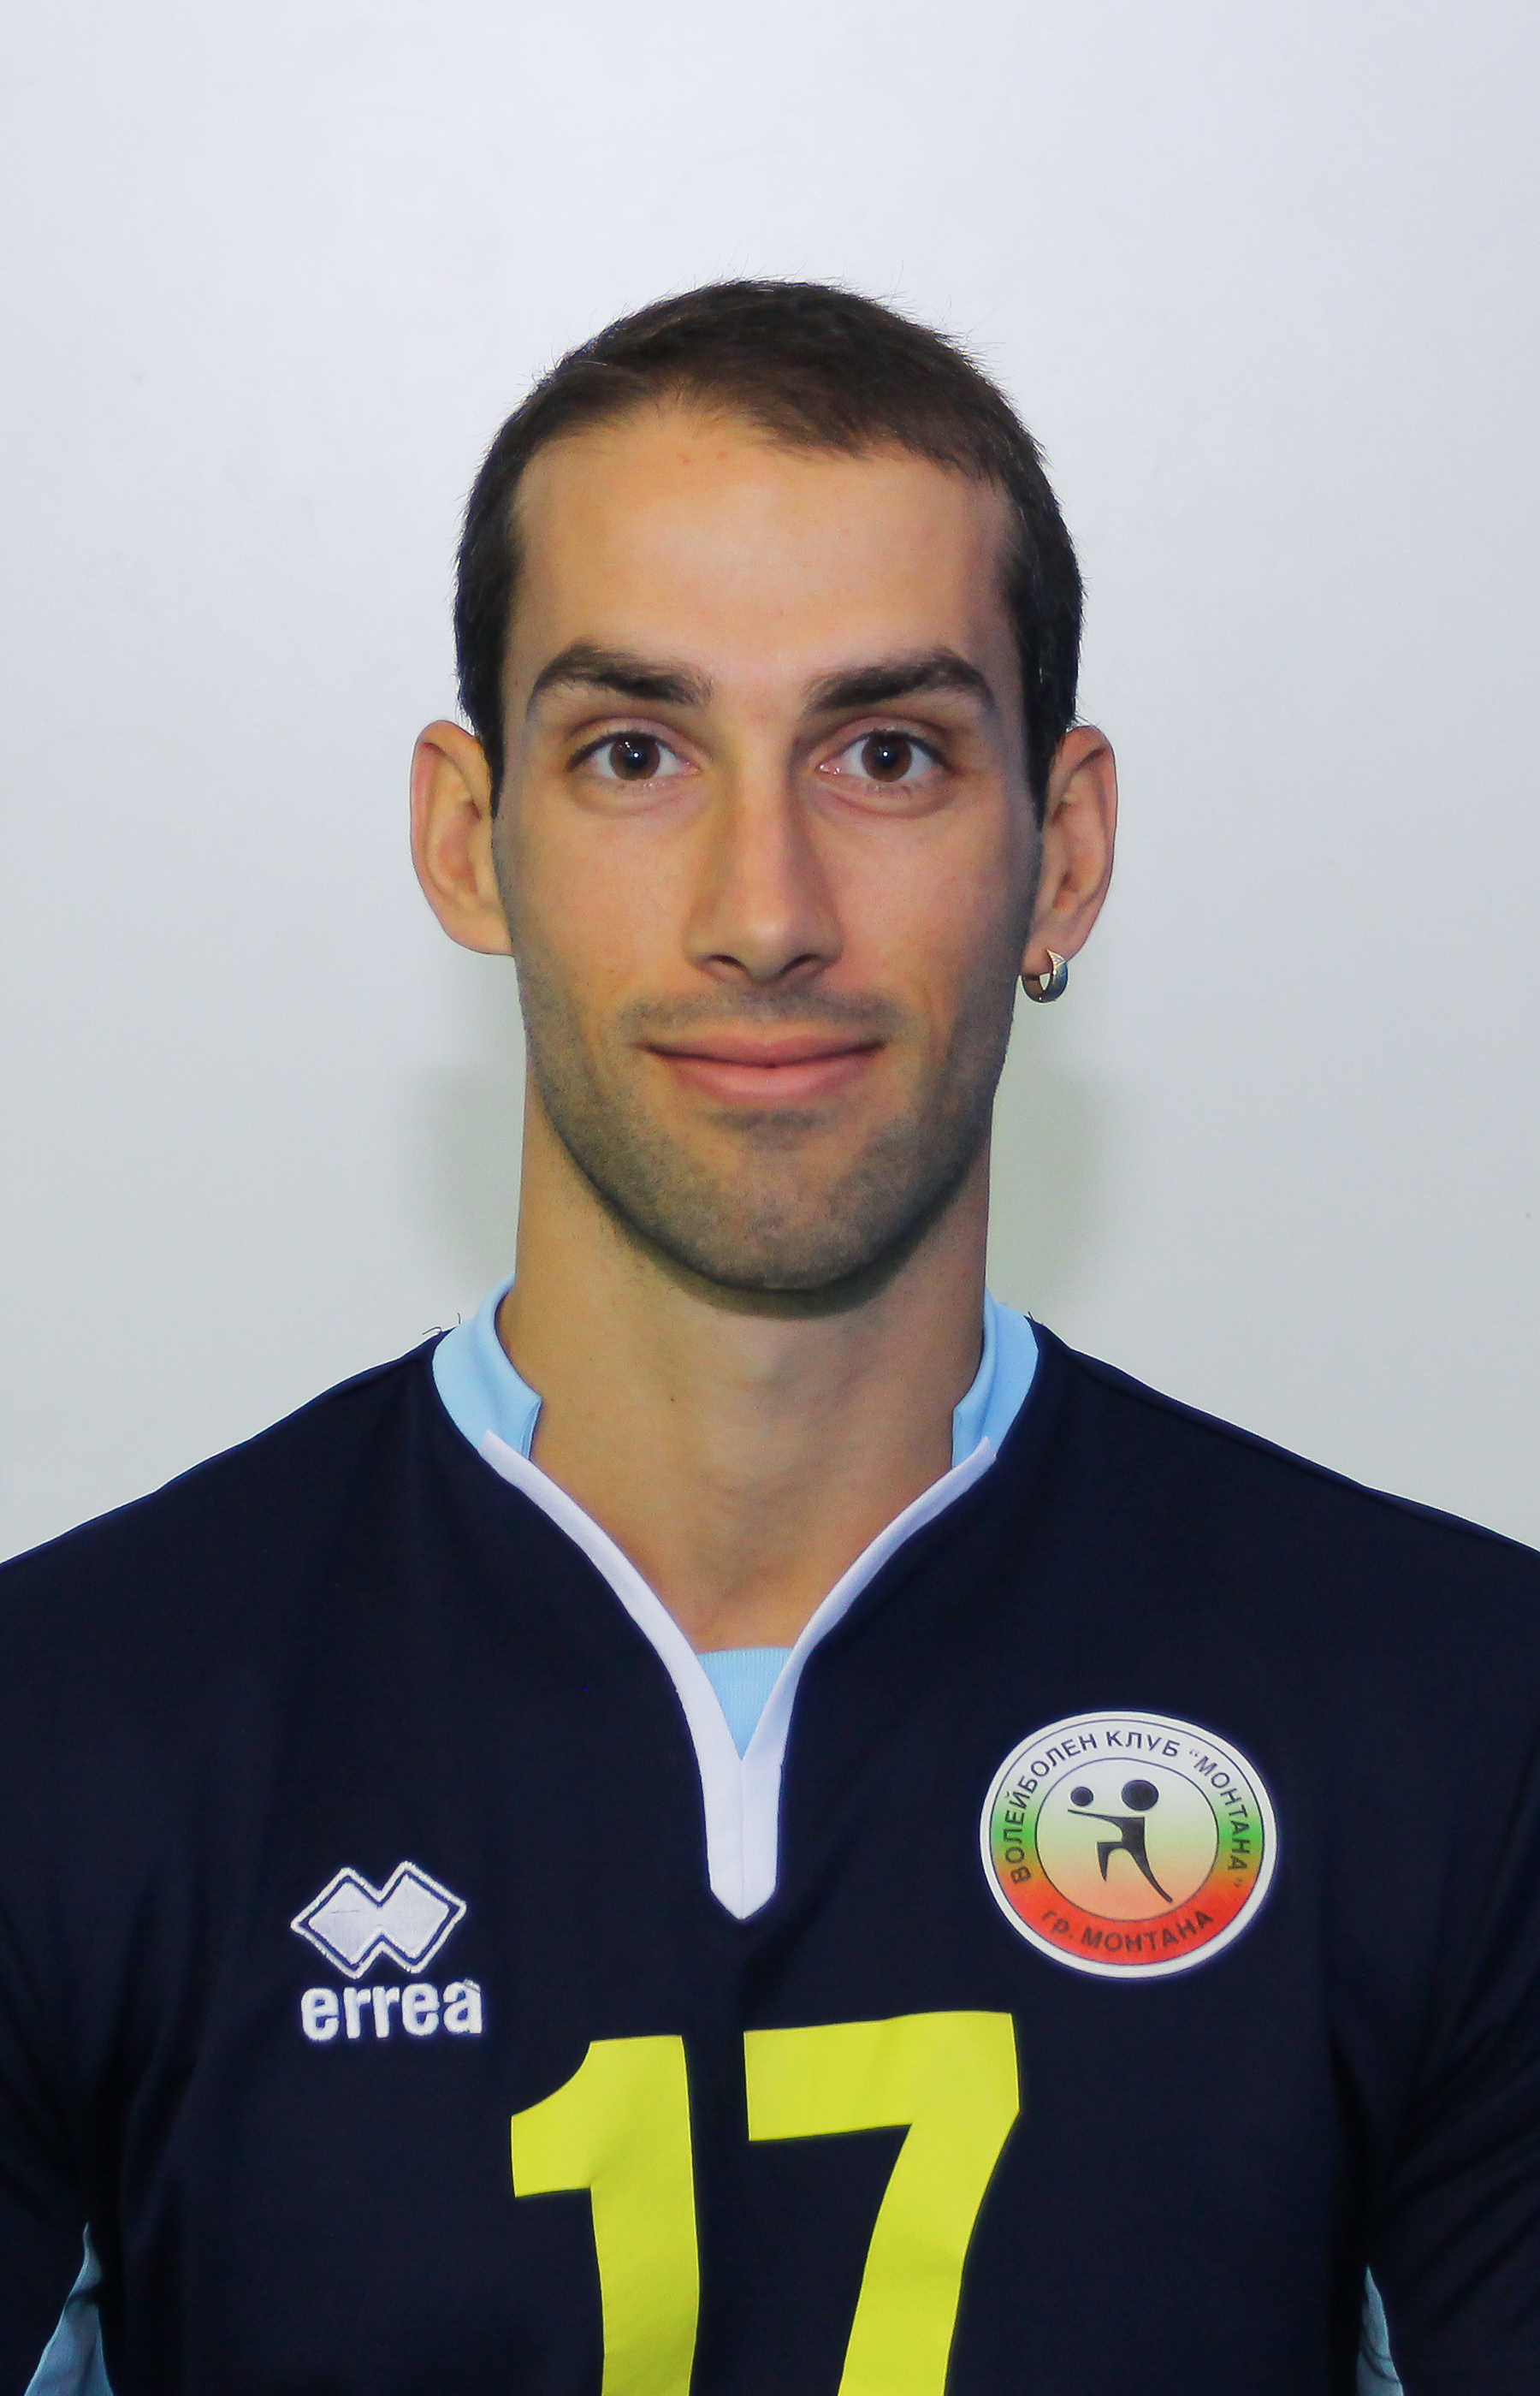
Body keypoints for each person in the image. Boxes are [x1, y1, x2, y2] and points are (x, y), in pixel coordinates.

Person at [0, 280, 1533, 2396]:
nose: (766, 907)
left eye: (885, 753)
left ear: (1065, 849)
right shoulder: (66, 1735)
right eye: (636, 752)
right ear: (468, 838)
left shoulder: (1466, 1723)